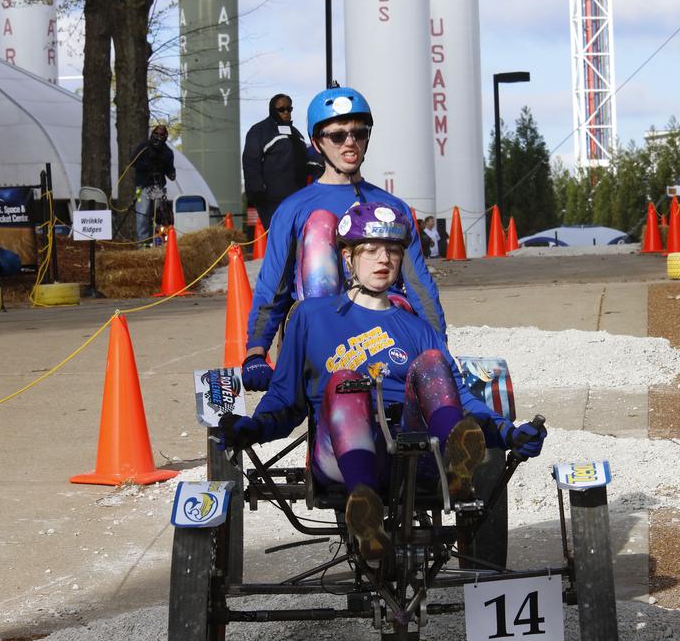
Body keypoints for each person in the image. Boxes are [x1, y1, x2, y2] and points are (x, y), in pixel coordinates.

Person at [220, 204, 546, 560]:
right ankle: (365, 510)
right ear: (348, 257)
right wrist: (252, 428)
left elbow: (460, 397)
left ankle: (455, 464)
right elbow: (285, 401)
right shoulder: (310, 318)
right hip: (340, 454)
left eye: (392, 251)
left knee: (434, 362)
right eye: (371, 250)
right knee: (346, 382)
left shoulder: (418, 329)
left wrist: (509, 432)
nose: (383, 260)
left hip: (417, 452)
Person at [241, 85, 445, 393]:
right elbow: (274, 286)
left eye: (359, 134)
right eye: (338, 136)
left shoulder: (393, 207)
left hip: (385, 333)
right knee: (322, 223)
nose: (350, 143)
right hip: (321, 336)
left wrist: (438, 345)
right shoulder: (294, 208)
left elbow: (417, 283)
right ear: (317, 142)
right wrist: (256, 350)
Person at [242, 95, 322, 230]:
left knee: (296, 239)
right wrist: (257, 192)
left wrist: (322, 165)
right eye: (282, 109)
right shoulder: (259, 131)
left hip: (297, 197)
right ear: (272, 110)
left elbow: (306, 160)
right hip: (272, 200)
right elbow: (251, 162)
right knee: (278, 237)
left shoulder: (296, 133)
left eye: (289, 109)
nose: (286, 112)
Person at [130, 123, 176, 242]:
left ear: (166, 136)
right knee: (142, 214)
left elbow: (170, 169)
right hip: (143, 185)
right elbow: (133, 161)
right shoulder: (144, 147)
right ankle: (143, 243)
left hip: (158, 186)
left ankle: (158, 241)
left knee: (159, 215)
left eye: (162, 134)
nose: (159, 137)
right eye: (156, 134)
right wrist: (147, 166)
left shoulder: (167, 152)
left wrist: (171, 174)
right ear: (152, 134)